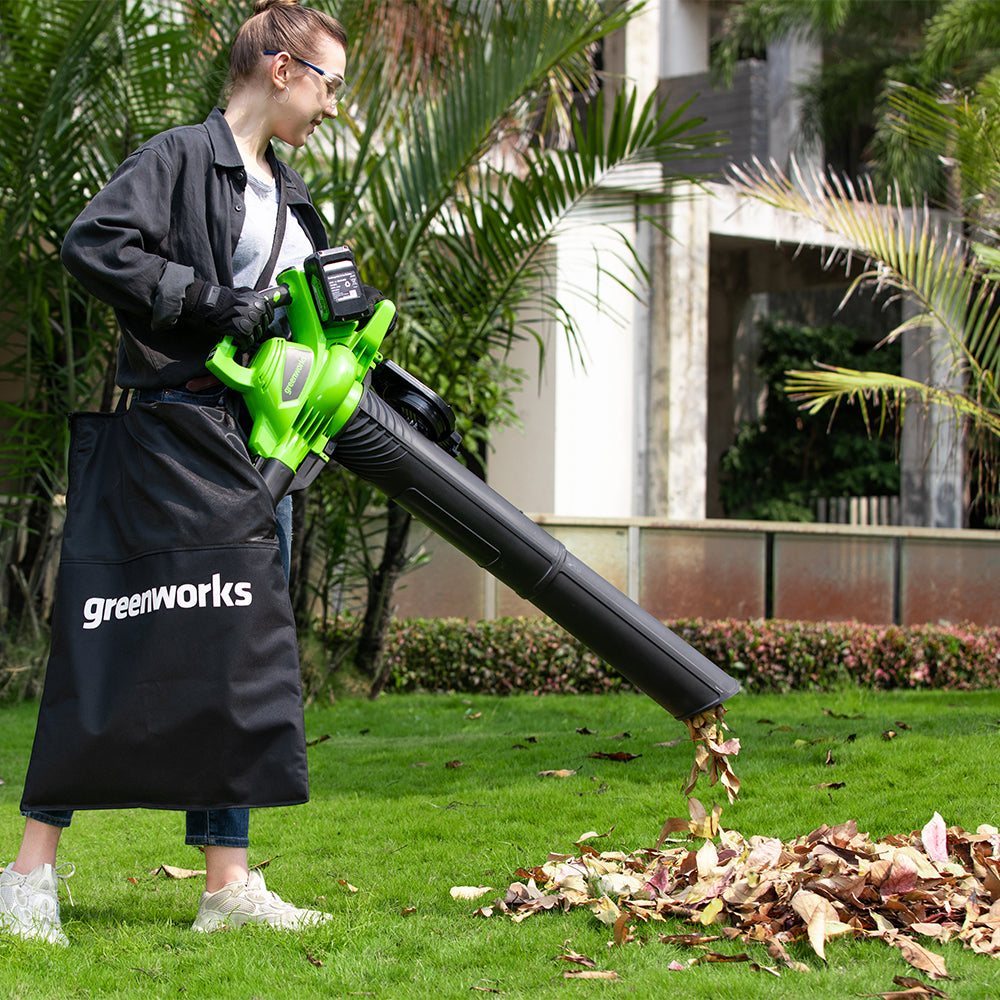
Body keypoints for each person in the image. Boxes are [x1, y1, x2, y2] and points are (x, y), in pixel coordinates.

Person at [0, 0, 349, 945]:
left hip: (259, 453)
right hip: (172, 443)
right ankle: (27, 876)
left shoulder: (293, 193)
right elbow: (94, 244)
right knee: (113, 644)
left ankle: (226, 886)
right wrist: (206, 303)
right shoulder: (181, 159)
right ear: (282, 69)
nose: (333, 105)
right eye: (329, 83)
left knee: (237, 663)